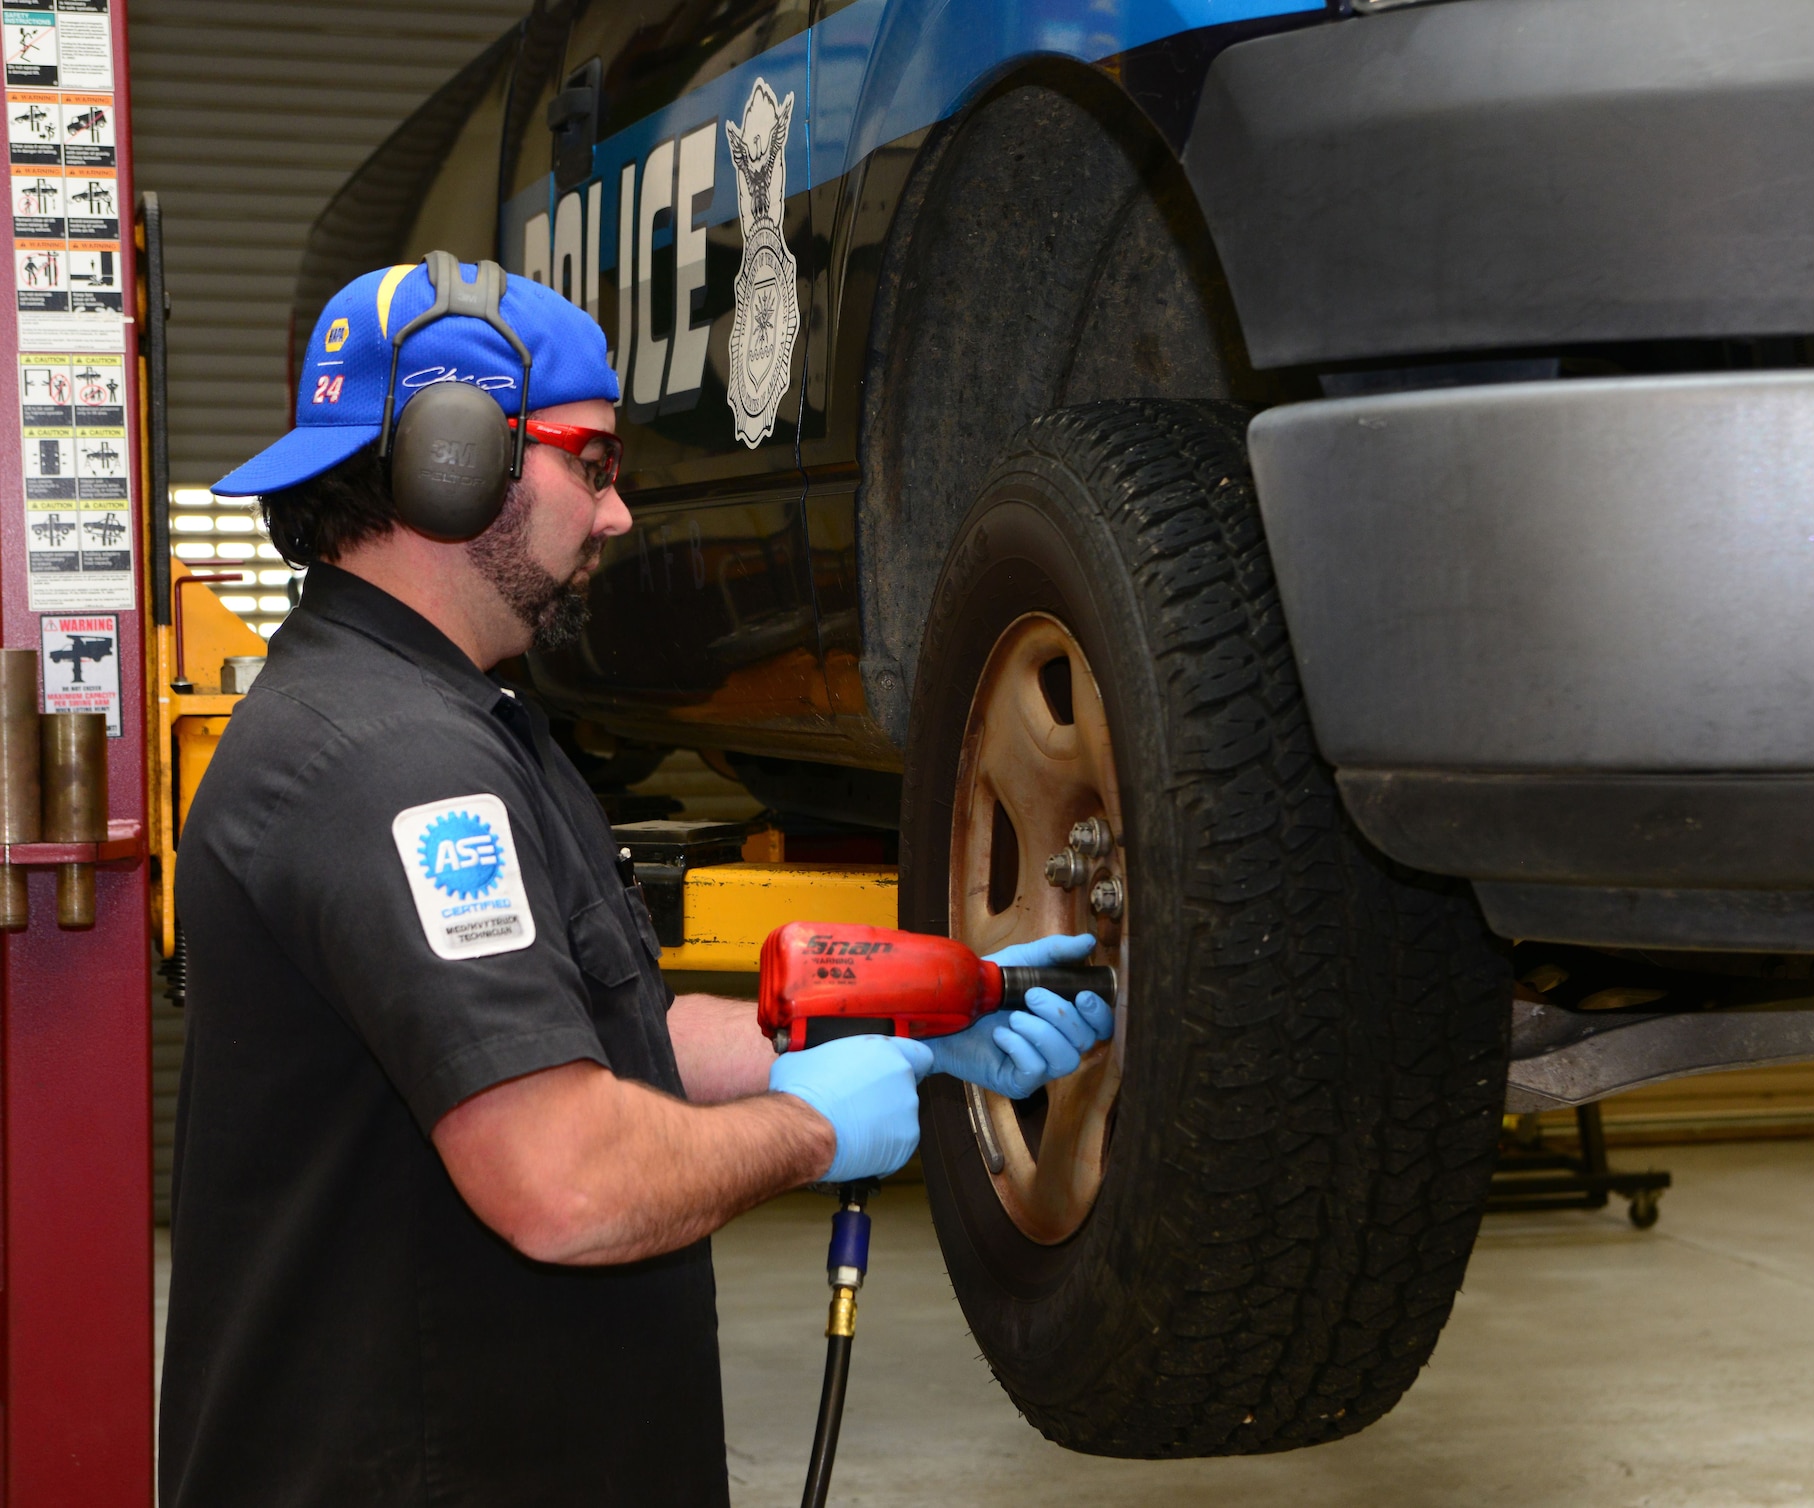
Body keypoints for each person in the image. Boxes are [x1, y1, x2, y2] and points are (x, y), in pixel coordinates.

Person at [158, 257, 1113, 1507]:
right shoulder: (391, 767)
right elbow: (562, 1174)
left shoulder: (459, 722)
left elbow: (593, 1031)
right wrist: (812, 1126)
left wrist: (911, 1024)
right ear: (457, 458)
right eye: (592, 463)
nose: (615, 514)